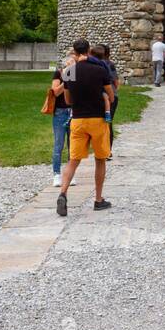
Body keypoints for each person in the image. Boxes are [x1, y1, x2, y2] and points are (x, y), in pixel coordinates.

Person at [56, 39, 114, 217]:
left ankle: (63, 193)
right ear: (88, 50)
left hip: (78, 120)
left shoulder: (70, 71)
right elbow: (111, 95)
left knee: (73, 160)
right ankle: (98, 199)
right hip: (97, 119)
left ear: (74, 51)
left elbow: (67, 100)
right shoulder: (99, 69)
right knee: (100, 159)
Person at [43, 59, 73, 187]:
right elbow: (55, 92)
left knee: (73, 145)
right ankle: (57, 174)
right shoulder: (58, 74)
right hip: (60, 112)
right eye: (70, 63)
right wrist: (67, 77)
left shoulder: (79, 74)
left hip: (74, 111)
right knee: (59, 144)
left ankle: (71, 174)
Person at [92, 44, 120, 157]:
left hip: (104, 96)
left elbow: (115, 82)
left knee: (104, 123)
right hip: (110, 96)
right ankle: (106, 150)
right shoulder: (109, 64)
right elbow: (116, 82)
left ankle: (104, 150)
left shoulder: (105, 65)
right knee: (107, 123)